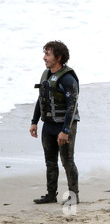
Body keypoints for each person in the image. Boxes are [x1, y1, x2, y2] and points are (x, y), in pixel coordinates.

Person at [29, 41, 80, 205]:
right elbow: (41, 99)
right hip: (48, 125)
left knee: (67, 161)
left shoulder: (68, 79)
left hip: (65, 126)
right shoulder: (46, 74)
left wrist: (65, 131)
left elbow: (72, 107)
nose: (44, 58)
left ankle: (74, 196)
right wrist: (34, 121)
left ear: (58, 57)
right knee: (50, 162)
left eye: (48, 54)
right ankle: (51, 195)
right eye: (45, 54)